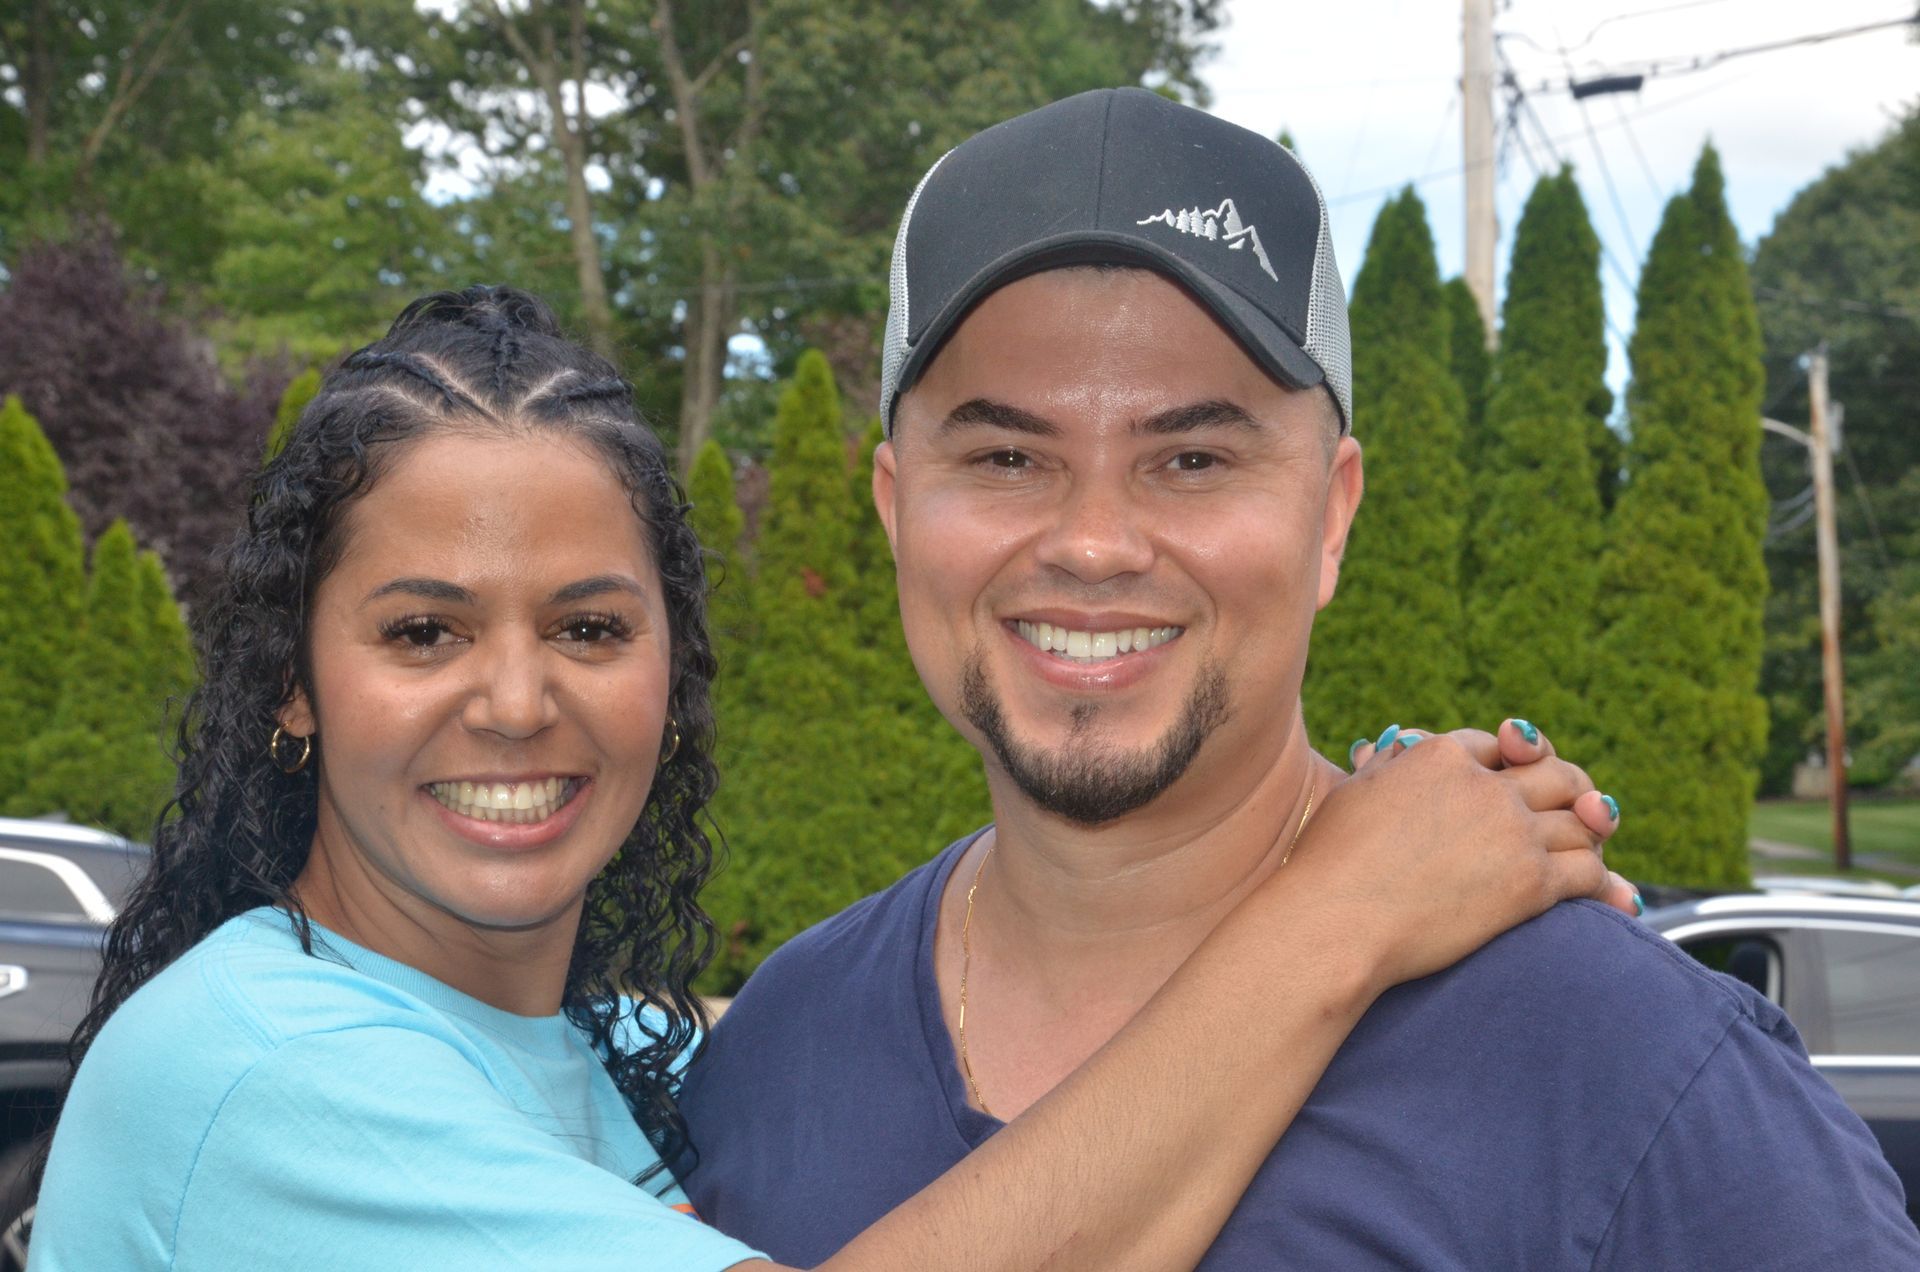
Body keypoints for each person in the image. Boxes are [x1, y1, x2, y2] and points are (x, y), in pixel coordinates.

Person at [27, 287, 1630, 1271]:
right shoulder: (256, 1074)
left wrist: (1387, 812)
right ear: (293, 687)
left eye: (590, 626)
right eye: (423, 630)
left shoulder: (596, 1049)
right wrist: (1344, 908)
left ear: (670, 676)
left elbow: (1003, 965)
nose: (516, 702)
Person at [678, 89, 1920, 1268]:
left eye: (1195, 459)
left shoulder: (1629, 1066)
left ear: (1331, 519)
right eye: (1007, 454)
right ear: (897, 511)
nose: (1094, 543)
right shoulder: (782, 1048)